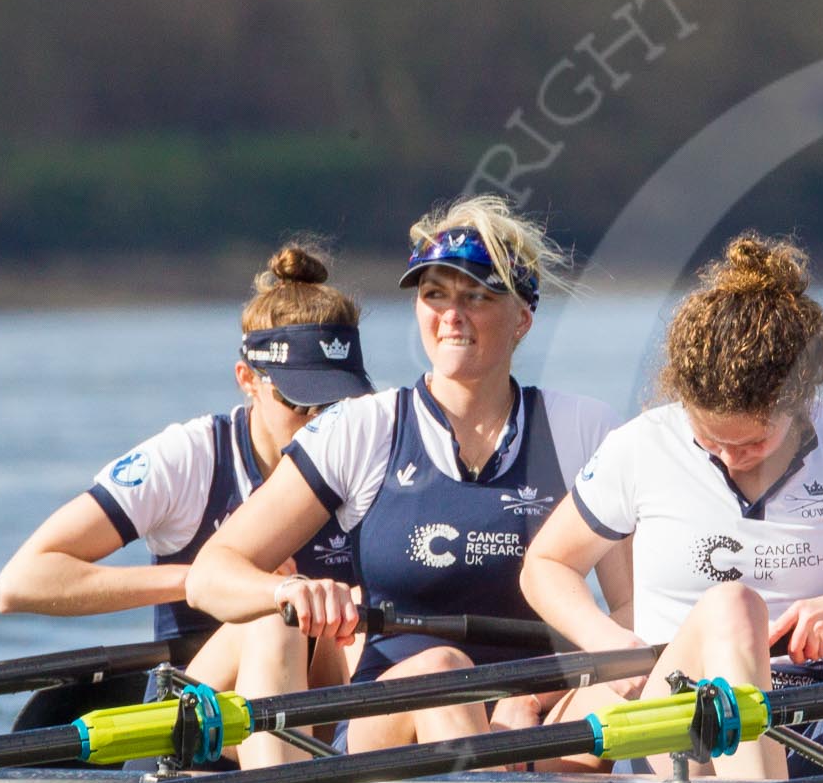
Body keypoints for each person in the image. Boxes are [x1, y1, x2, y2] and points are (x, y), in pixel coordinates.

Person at [186, 196, 621, 754]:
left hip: (536, 716)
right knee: (442, 669)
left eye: (477, 296)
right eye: (433, 295)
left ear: (523, 318)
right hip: (389, 719)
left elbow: (631, 610)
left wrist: (539, 698)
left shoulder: (583, 430)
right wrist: (288, 588)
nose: (451, 316)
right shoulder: (364, 428)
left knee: (621, 697)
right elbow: (210, 576)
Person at [0, 244, 374, 768]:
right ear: (247, 381)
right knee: (275, 617)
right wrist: (207, 578)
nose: (317, 422)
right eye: (296, 401)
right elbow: (20, 584)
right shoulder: (192, 457)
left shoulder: (370, 444)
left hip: (318, 705)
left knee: (363, 624)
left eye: (334, 403)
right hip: (192, 725)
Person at [521, 232, 823, 780]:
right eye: (711, 440)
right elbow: (546, 565)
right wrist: (607, 641)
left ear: (799, 399)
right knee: (732, 605)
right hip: (684, 713)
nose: (731, 459)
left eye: (752, 443)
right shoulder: (643, 446)